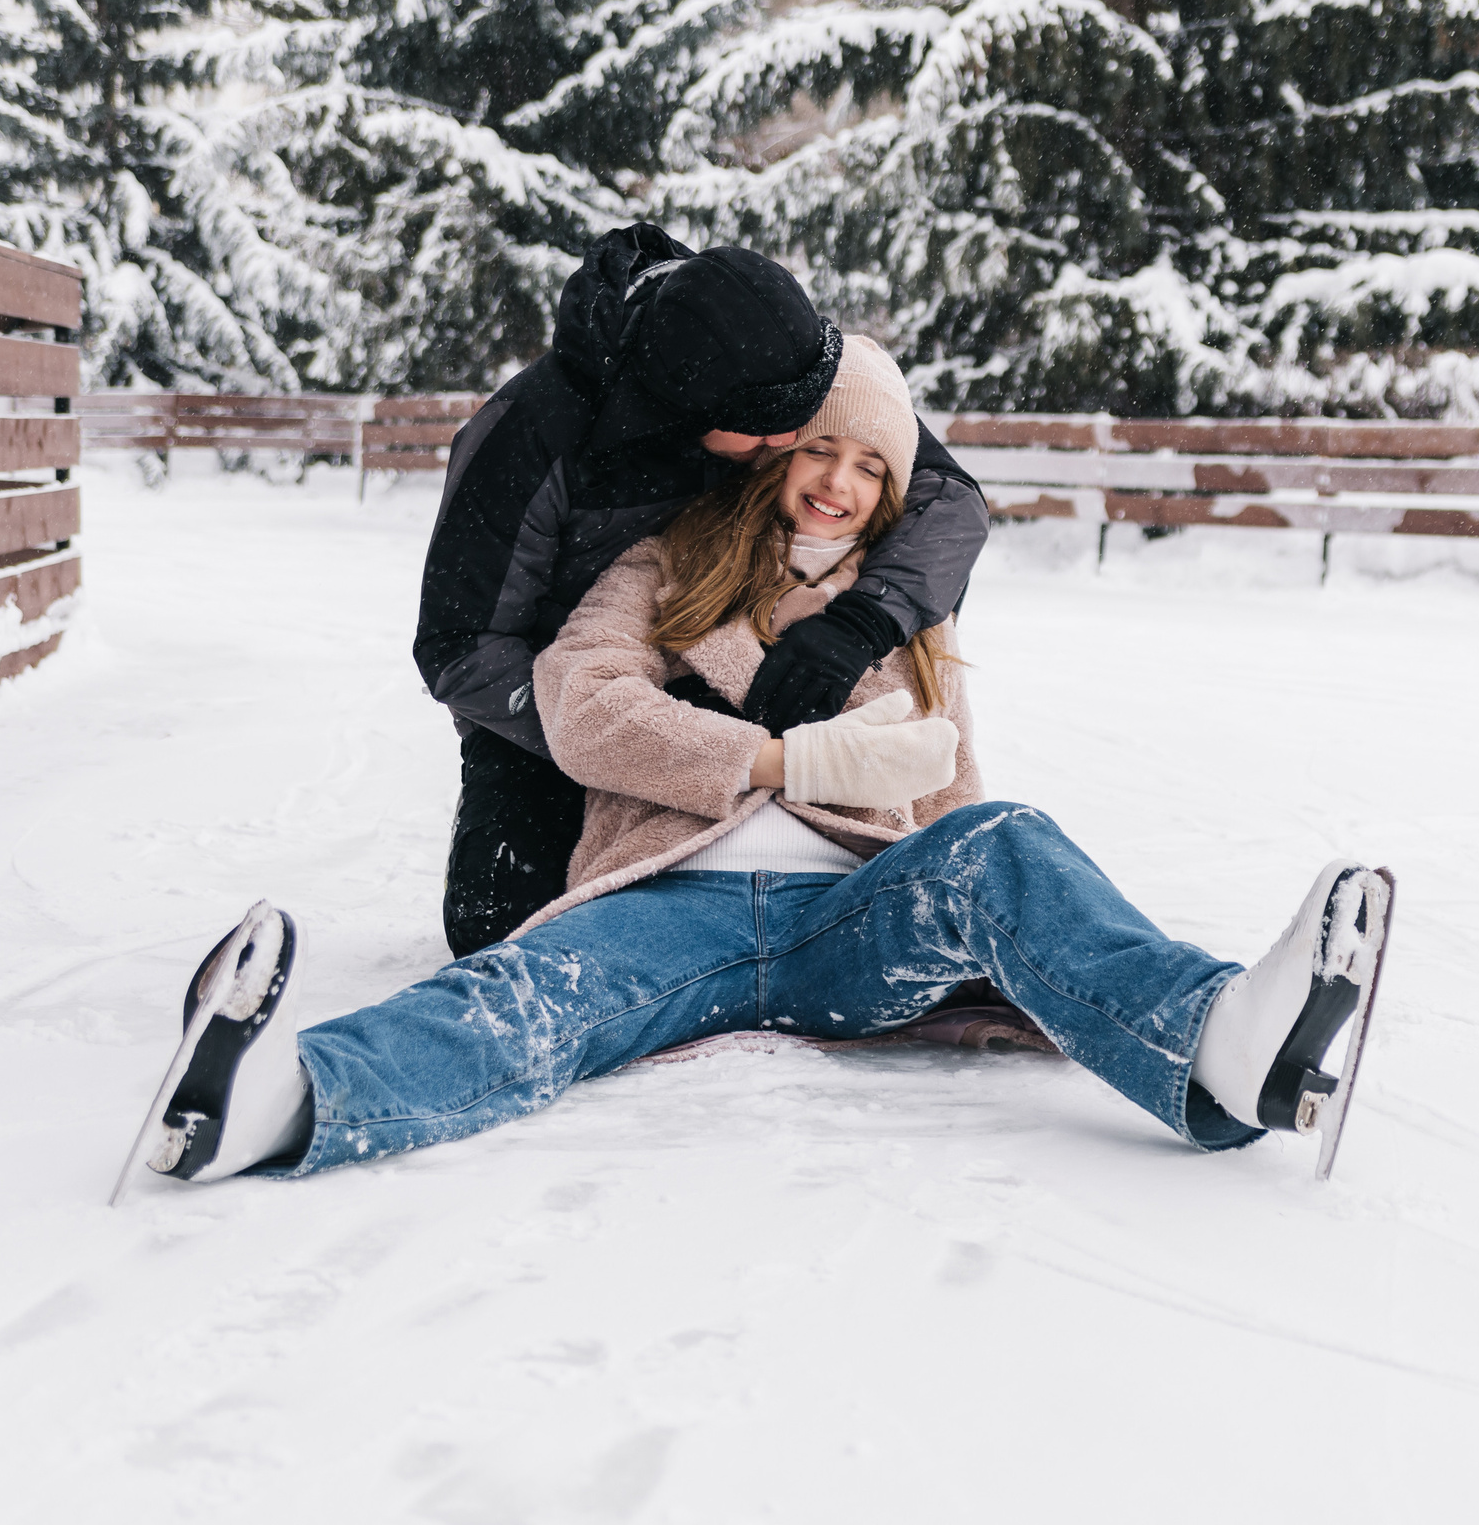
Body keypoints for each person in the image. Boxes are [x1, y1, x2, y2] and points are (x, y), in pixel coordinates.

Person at [115, 340, 1392, 1197]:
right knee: (532, 995)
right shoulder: (659, 569)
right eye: (823, 453)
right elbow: (580, 708)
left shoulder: (903, 618)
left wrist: (988, 922)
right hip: (671, 901)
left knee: (1003, 837)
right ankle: (278, 1105)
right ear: (778, 453)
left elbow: (948, 784)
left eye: (873, 468)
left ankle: (1223, 1052)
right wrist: (778, 752)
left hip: (854, 913)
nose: (841, 484)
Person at [416, 224, 990, 959]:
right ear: (693, 416)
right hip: (560, 700)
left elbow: (946, 500)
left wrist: (861, 622)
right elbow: (460, 646)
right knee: (505, 927)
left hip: (750, 662)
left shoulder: (779, 355)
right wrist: (639, 725)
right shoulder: (530, 436)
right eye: (773, 438)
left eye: (804, 427)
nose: (790, 446)